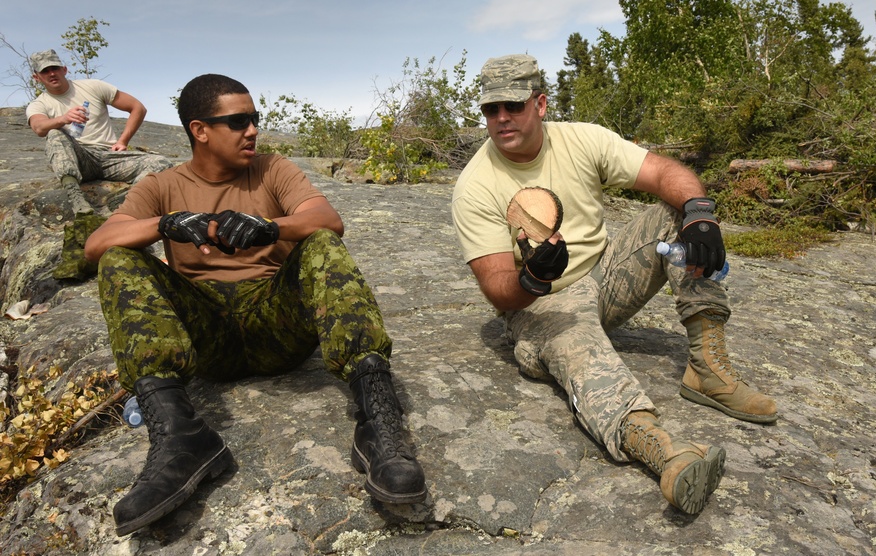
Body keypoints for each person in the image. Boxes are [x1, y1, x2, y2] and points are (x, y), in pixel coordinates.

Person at [84, 73, 427, 537]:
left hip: (274, 323)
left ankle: (379, 426)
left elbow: (328, 219)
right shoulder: (160, 185)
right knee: (118, 260)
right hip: (208, 338)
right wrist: (168, 224)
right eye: (238, 121)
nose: (252, 131)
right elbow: (98, 243)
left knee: (322, 243)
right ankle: (181, 440)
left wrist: (270, 227)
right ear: (199, 130)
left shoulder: (271, 168)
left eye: (255, 119)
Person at [451, 54, 777, 515]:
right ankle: (667, 454)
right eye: (490, 109)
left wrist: (700, 212)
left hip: (603, 280)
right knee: (579, 346)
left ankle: (707, 370)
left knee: (675, 213)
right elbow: (497, 288)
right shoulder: (475, 186)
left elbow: (666, 173)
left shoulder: (582, 139)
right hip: (539, 307)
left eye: (512, 105)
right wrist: (532, 277)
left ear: (540, 104)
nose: (501, 118)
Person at [25, 49, 173, 214]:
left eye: (55, 68)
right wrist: (63, 119)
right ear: (36, 77)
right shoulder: (38, 104)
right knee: (54, 134)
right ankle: (76, 198)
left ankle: (129, 199)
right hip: (79, 159)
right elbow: (39, 127)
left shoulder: (93, 86)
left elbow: (137, 107)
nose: (52, 73)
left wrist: (122, 141)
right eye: (45, 71)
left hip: (109, 157)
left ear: (64, 70)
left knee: (162, 164)